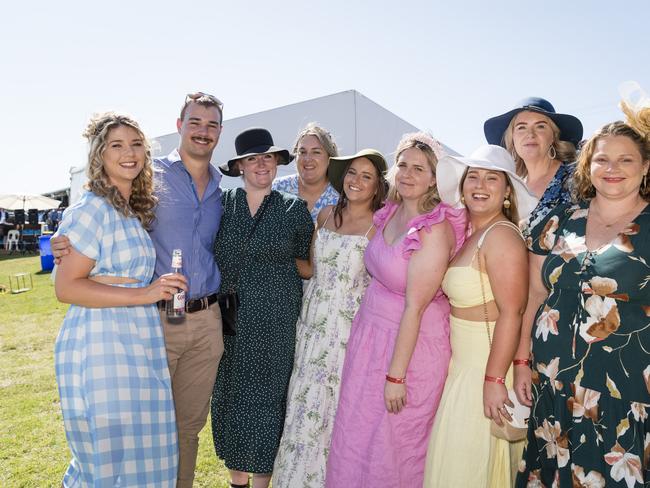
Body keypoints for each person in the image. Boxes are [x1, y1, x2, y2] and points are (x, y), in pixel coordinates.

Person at [51, 92, 225, 487]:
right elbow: (69, 283)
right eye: (194, 122)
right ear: (180, 126)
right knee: (115, 447)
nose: (203, 131)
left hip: (173, 329)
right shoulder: (109, 199)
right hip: (124, 336)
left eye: (212, 124)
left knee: (168, 436)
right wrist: (66, 244)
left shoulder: (150, 200)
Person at [513, 115, 650, 486]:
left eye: (626, 160)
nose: (612, 169)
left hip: (627, 392)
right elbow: (536, 294)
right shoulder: (558, 220)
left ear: (646, 166)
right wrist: (522, 360)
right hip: (553, 384)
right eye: (602, 159)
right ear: (588, 165)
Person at [324, 133, 467, 487]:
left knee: (391, 443)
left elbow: (415, 308)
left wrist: (396, 377)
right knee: (355, 435)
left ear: (434, 178)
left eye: (419, 168)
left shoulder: (434, 229)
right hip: (370, 338)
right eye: (403, 164)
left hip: (409, 348)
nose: (407, 174)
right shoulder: (389, 213)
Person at [272, 149, 389, 487]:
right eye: (352, 173)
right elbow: (310, 269)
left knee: (331, 412)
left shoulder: (380, 227)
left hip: (347, 333)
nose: (357, 181)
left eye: (367, 176)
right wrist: (274, 258)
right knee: (301, 406)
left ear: (378, 186)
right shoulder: (323, 216)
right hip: (311, 327)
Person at [423, 145, 536, 487]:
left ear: (506, 192)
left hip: (484, 370)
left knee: (467, 467)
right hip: (464, 367)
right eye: (473, 176)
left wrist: (494, 380)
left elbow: (513, 313)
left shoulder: (500, 236)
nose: (480, 185)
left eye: (491, 178)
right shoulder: (473, 235)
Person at [211, 127, 314, 488]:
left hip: (276, 320)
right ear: (239, 166)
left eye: (267, 157)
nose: (261, 164)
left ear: (276, 163)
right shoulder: (222, 205)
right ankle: (238, 481)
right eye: (252, 158)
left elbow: (308, 264)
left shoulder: (294, 210)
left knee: (270, 402)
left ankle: (261, 483)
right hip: (230, 317)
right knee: (233, 398)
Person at [484, 97, 583, 233]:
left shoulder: (579, 176)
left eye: (540, 126)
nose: (530, 134)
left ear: (554, 135)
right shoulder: (510, 188)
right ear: (512, 138)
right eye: (521, 127)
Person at [272, 122, 339, 221]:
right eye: (302, 152)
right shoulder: (278, 188)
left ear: (330, 157)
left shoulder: (340, 196)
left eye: (316, 152)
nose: (308, 159)